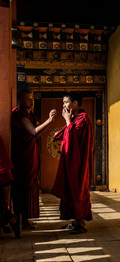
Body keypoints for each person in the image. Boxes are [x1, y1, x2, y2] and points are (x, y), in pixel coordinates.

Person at [11, 90, 56, 231]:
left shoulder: (30, 115)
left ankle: (25, 220)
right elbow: (34, 131)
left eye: (32, 98)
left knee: (27, 189)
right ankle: (20, 221)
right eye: (28, 98)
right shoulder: (19, 115)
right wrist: (49, 120)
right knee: (21, 190)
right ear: (20, 100)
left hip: (30, 156)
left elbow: (36, 132)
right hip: (21, 159)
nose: (32, 101)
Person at [52, 92, 93, 234]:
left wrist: (68, 122)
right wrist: (68, 122)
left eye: (65, 102)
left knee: (78, 189)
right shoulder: (75, 118)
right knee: (70, 188)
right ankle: (76, 221)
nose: (63, 105)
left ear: (75, 103)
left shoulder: (83, 119)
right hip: (72, 161)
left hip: (79, 163)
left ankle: (81, 224)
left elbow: (73, 139)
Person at [0, 135, 16, 238]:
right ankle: (10, 218)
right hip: (4, 172)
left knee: (2, 202)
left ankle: (8, 219)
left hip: (2, 173)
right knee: (2, 201)